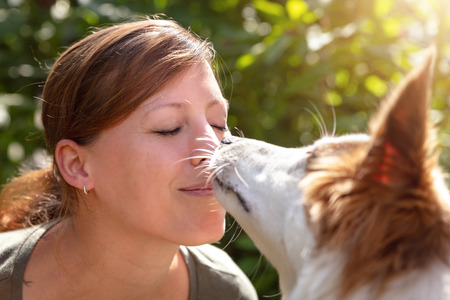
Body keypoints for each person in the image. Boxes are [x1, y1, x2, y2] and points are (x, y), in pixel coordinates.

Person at [0, 16, 258, 300]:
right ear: (77, 165)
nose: (213, 149)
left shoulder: (226, 292)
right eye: (168, 128)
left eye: (218, 124)